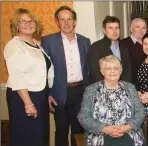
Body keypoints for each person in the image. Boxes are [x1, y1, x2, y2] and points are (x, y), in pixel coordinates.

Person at [41, 6, 90, 146]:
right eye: (62, 19)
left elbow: (89, 69)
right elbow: (43, 70)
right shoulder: (48, 41)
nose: (66, 22)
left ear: (74, 22)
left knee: (79, 130)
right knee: (61, 130)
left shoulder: (85, 41)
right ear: (57, 22)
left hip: (81, 91)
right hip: (59, 93)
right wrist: (48, 93)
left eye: (69, 19)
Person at [4, 8, 54, 146]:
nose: (27, 24)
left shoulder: (37, 44)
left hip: (40, 95)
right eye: (22, 21)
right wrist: (28, 104)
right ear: (16, 26)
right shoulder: (14, 45)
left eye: (30, 21)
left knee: (41, 136)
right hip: (24, 96)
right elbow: (17, 76)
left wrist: (48, 94)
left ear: (36, 24)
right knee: (27, 137)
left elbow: (43, 71)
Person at [78, 55, 146, 146]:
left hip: (129, 133)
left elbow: (140, 112)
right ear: (102, 71)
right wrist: (105, 129)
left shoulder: (130, 88)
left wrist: (126, 128)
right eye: (108, 68)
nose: (112, 71)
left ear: (120, 71)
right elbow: (83, 117)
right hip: (100, 135)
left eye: (116, 68)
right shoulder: (91, 90)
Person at [88, 16, 131, 83]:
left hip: (123, 88)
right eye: (110, 28)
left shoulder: (124, 46)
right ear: (104, 30)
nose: (114, 31)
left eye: (117, 28)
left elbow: (128, 71)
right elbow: (95, 73)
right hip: (104, 89)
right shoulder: (95, 47)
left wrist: (125, 87)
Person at [120, 18, 147, 89]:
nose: (141, 30)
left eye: (144, 28)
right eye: (138, 27)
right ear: (131, 29)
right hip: (130, 86)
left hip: (147, 85)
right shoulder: (123, 44)